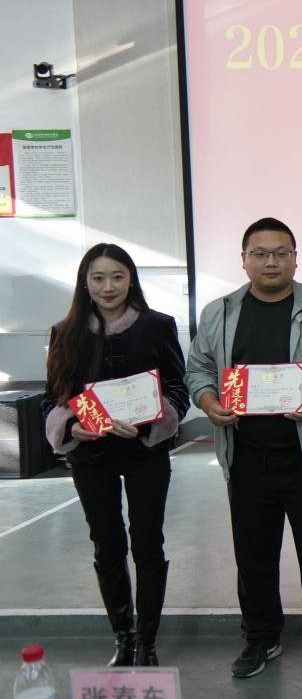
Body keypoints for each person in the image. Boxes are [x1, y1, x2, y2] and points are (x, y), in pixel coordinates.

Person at [185, 217, 302, 678]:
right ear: (244, 259)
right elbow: (198, 369)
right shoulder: (219, 312)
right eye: (260, 254)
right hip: (246, 456)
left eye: (281, 253)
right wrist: (209, 403)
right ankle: (261, 638)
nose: (271, 262)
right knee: (254, 557)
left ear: (295, 258)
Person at [42, 244, 189, 667]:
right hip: (91, 457)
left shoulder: (158, 326)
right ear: (85, 283)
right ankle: (123, 638)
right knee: (106, 546)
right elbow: (53, 398)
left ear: (131, 279)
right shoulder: (65, 331)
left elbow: (177, 390)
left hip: (145, 452)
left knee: (148, 543)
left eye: (118, 276)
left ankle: (148, 641)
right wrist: (71, 427)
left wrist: (149, 425)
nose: (109, 286)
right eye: (99, 278)